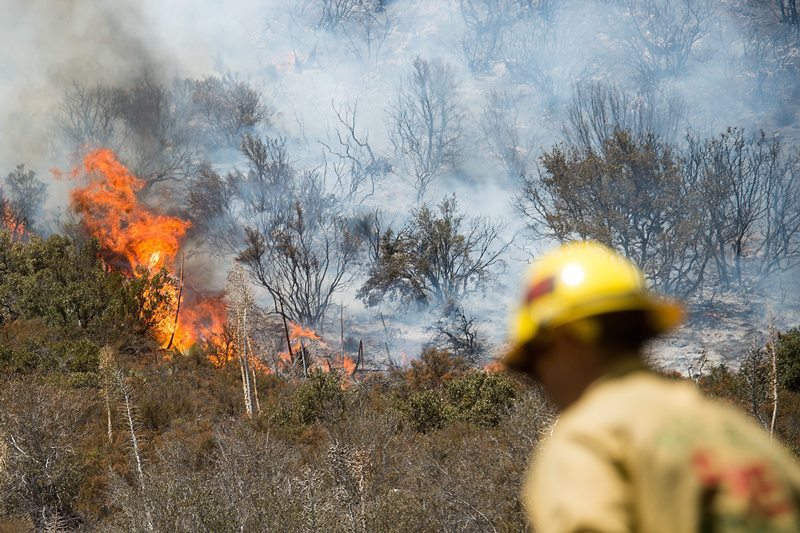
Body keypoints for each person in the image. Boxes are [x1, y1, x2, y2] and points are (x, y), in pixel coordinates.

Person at [503, 240, 800, 532]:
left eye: (534, 361)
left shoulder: (590, 440)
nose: (539, 381)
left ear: (568, 341)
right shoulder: (746, 438)